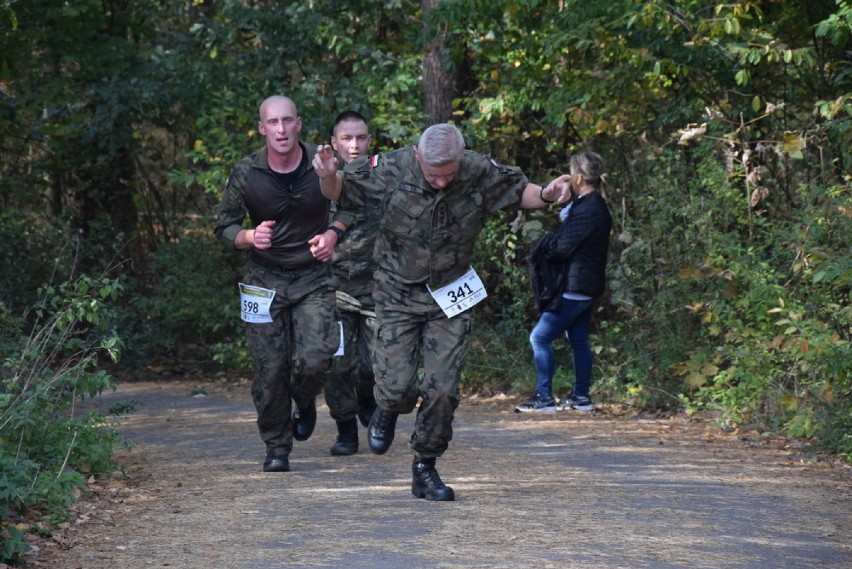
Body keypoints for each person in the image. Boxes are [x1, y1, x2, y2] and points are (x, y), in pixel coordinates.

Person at [312, 123, 572, 501]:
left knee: (443, 389)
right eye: (433, 175)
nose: (439, 183)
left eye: (447, 176)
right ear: (417, 156)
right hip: (397, 292)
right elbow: (341, 193)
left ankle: (425, 466)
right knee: (397, 387)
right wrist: (327, 176)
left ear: (461, 158)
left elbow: (521, 192)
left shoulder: (478, 169)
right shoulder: (391, 167)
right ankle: (387, 405)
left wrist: (548, 194)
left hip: (451, 294)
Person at [213, 95, 344, 473]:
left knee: (317, 359)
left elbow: (349, 205)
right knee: (269, 370)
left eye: (288, 121)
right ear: (262, 128)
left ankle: (303, 400)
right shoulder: (246, 172)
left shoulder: (321, 164)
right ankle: (276, 445)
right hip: (263, 280)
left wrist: (332, 234)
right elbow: (224, 226)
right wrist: (249, 237)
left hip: (313, 277)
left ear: (298, 124)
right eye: (273, 122)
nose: (281, 129)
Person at [516, 151, 612, 413]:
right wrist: (567, 207)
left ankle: (544, 397)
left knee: (540, 337)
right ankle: (581, 397)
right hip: (585, 285)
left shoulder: (590, 209)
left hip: (576, 285)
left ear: (578, 178)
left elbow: (562, 246)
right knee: (579, 338)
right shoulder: (590, 205)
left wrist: (544, 244)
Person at [321, 110, 379, 456]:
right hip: (334, 289)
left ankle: (368, 399)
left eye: (360, 138)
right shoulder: (318, 182)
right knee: (337, 363)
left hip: (376, 288)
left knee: (375, 363)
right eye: (347, 138)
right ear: (334, 143)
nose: (354, 145)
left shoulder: (384, 178)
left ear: (370, 141)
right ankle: (345, 430)